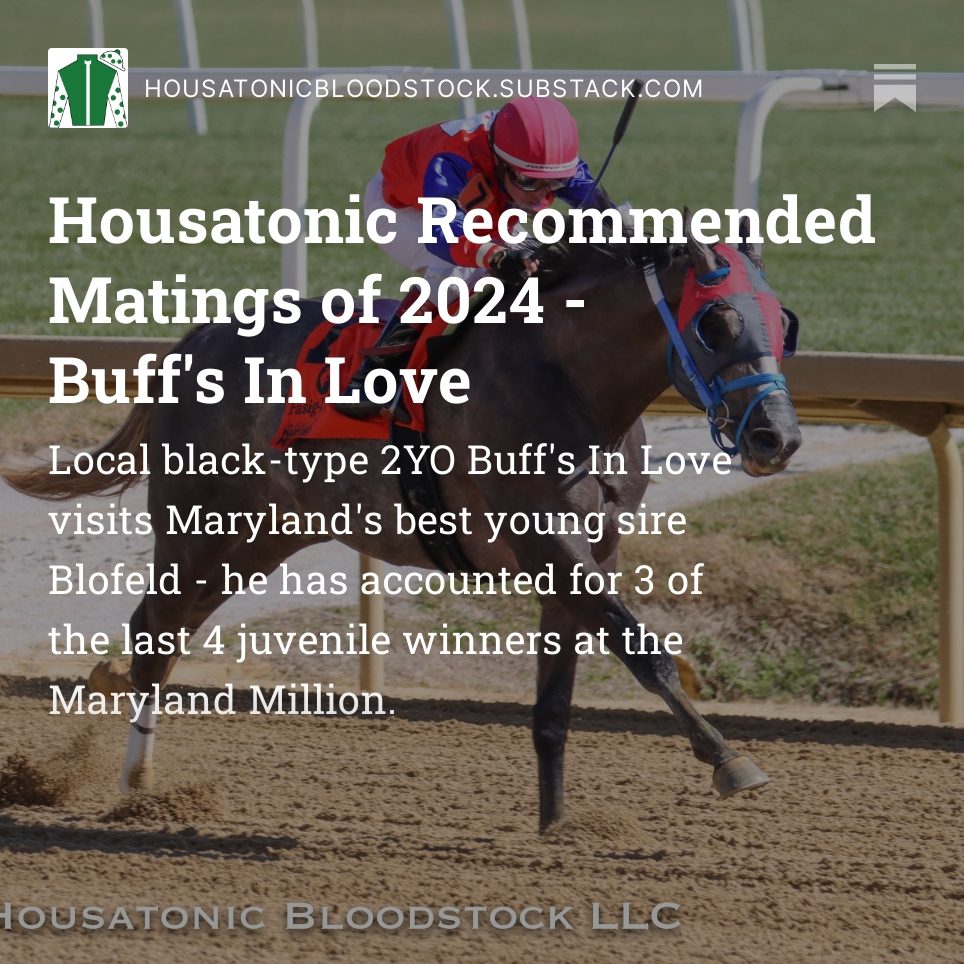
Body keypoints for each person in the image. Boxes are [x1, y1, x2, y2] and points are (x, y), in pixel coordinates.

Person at [333, 95, 612, 421]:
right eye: (529, 181)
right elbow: (443, 235)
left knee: (540, 261)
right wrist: (495, 257)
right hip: (401, 209)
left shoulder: (541, 158)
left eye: (555, 184)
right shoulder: (451, 159)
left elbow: (595, 202)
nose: (541, 196)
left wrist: (620, 226)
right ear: (500, 161)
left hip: (476, 209)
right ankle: (374, 374)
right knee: (454, 275)